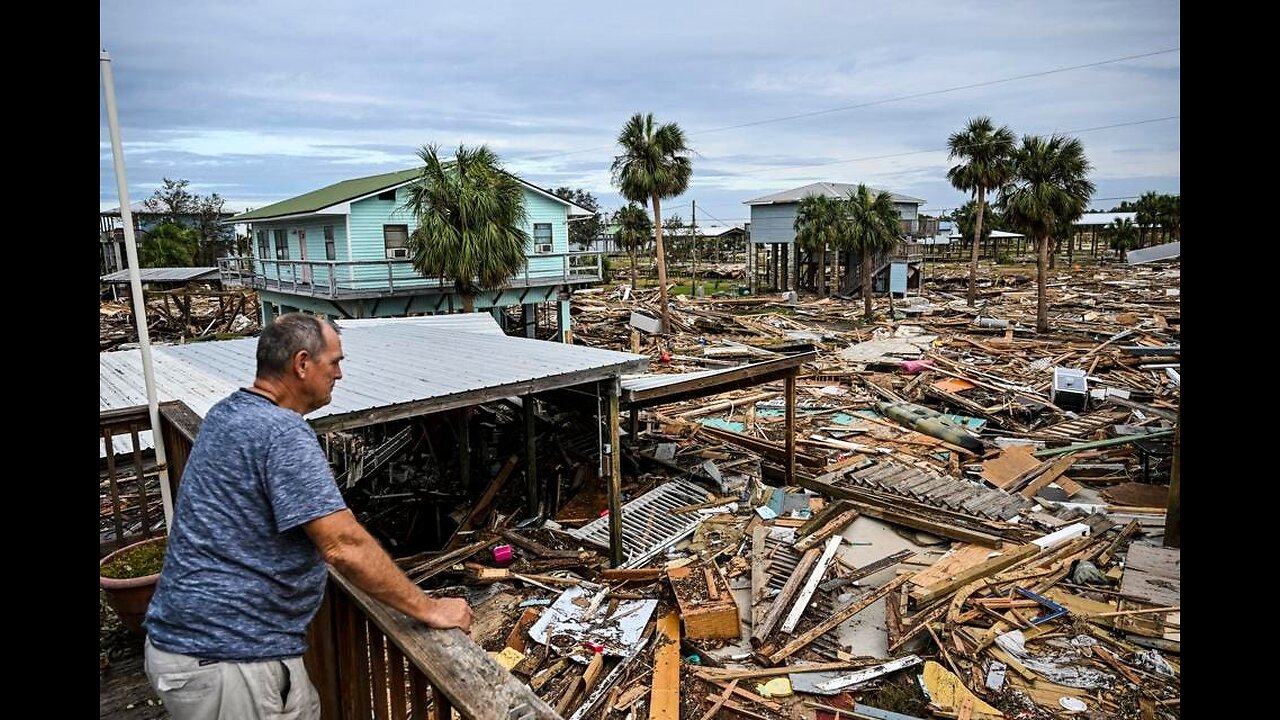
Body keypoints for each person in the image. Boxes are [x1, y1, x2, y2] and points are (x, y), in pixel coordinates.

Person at [143, 312, 474, 720]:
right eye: (334, 362)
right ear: (302, 364)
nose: (339, 374)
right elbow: (342, 544)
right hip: (228, 655)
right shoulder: (281, 432)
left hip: (202, 646)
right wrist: (429, 608)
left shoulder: (228, 413)